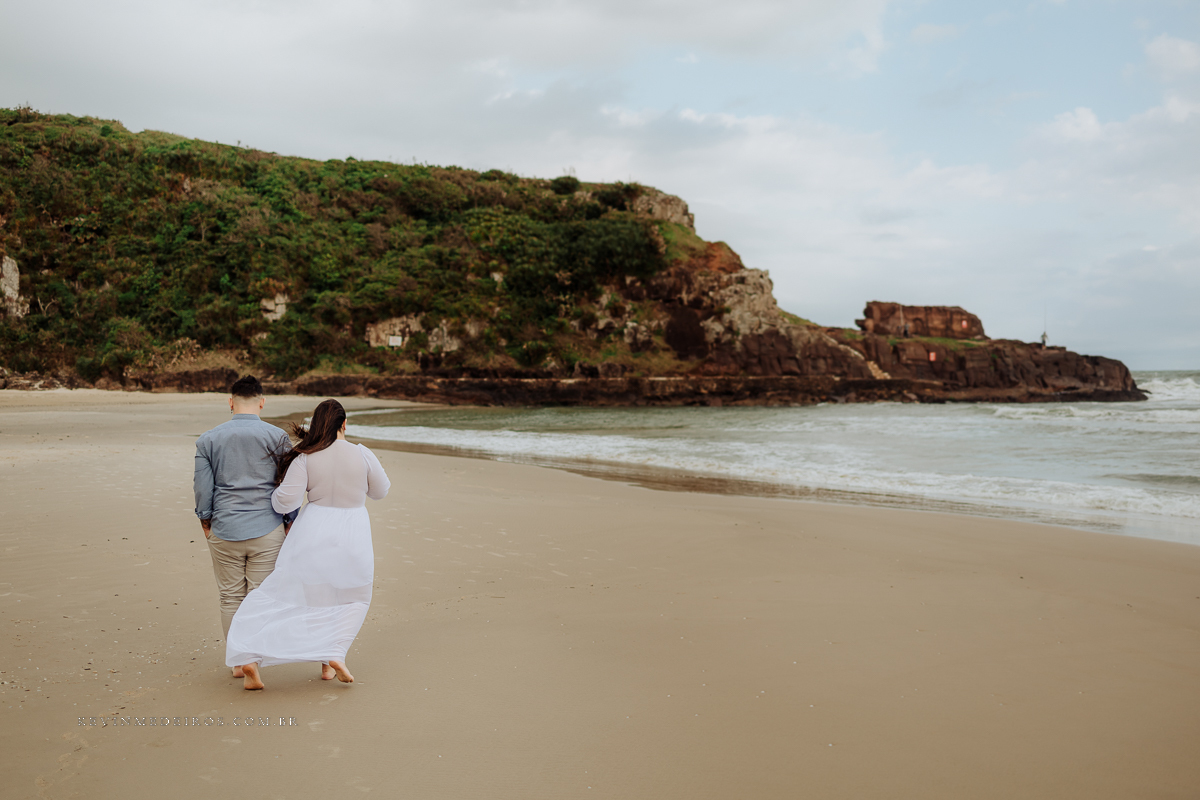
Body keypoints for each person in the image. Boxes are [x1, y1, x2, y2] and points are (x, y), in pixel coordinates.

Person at [225, 399, 390, 690]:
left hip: (313, 531)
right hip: (353, 533)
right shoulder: (362, 454)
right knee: (353, 598)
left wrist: (276, 494)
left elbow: (285, 501)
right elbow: (380, 491)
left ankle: (250, 655)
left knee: (297, 593)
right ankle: (332, 656)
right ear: (344, 424)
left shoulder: (306, 458)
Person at [193, 375, 296, 678]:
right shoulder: (277, 437)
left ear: (230, 402)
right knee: (260, 595)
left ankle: (240, 661)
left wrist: (205, 519)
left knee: (230, 597)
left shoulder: (208, 439)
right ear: (262, 402)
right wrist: (290, 521)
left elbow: (202, 487)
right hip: (267, 528)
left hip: (224, 527)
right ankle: (253, 656)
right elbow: (287, 485)